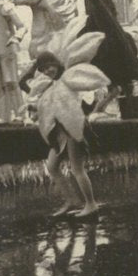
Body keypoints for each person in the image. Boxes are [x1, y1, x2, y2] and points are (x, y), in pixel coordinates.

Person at [26, 51, 101, 219]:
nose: (47, 71)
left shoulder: (67, 80)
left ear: (56, 63)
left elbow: (84, 102)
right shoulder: (54, 83)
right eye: (43, 69)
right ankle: (72, 201)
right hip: (60, 132)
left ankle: (91, 204)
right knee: (52, 167)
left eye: (49, 67)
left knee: (77, 169)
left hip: (74, 128)